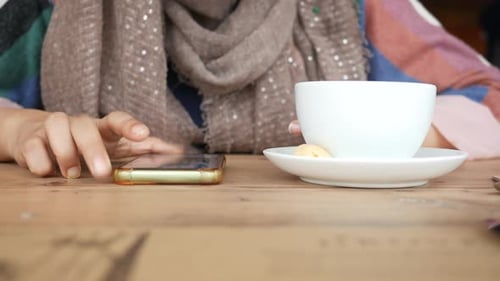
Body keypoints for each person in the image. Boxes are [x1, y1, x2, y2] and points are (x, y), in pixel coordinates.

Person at [1, 0, 500, 179]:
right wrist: (19, 127)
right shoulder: (56, 8)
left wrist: (395, 135)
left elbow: (490, 94)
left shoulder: (353, 7)